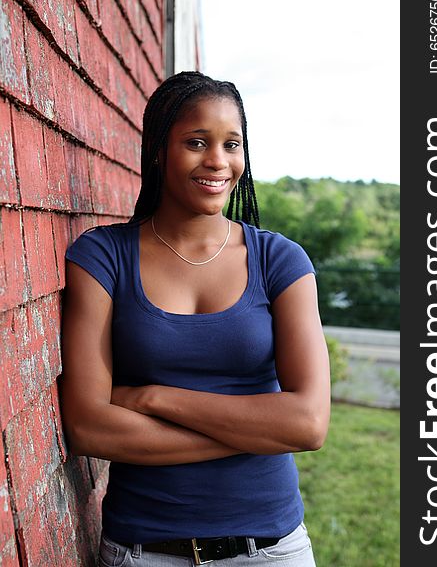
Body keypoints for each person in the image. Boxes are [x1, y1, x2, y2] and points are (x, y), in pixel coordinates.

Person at [60, 71, 330, 567]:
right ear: (159, 150)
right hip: (144, 552)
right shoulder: (102, 258)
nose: (218, 161)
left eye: (232, 144)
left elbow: (308, 424)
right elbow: (89, 428)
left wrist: (153, 398)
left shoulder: (280, 262)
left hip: (270, 550)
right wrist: (255, 433)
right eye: (197, 142)